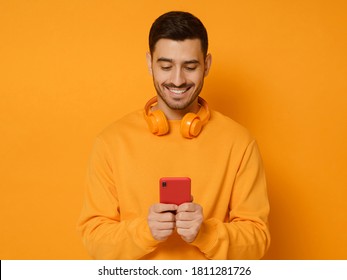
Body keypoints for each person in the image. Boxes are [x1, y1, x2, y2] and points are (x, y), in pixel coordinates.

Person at [77, 11, 270, 260]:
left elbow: (257, 241)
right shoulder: (111, 142)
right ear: (150, 63)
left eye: (190, 67)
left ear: (207, 64)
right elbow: (94, 242)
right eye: (166, 66)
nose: (177, 80)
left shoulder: (240, 143)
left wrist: (206, 233)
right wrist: (145, 231)